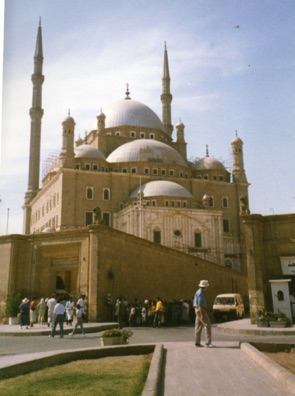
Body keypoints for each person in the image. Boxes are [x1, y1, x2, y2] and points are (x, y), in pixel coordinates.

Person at [193, 280, 214, 347]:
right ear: (205, 286)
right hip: (201, 310)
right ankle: (208, 342)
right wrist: (202, 315)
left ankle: (197, 342)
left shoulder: (199, 292)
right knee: (207, 325)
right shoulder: (200, 293)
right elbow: (200, 305)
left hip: (198, 310)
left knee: (198, 327)